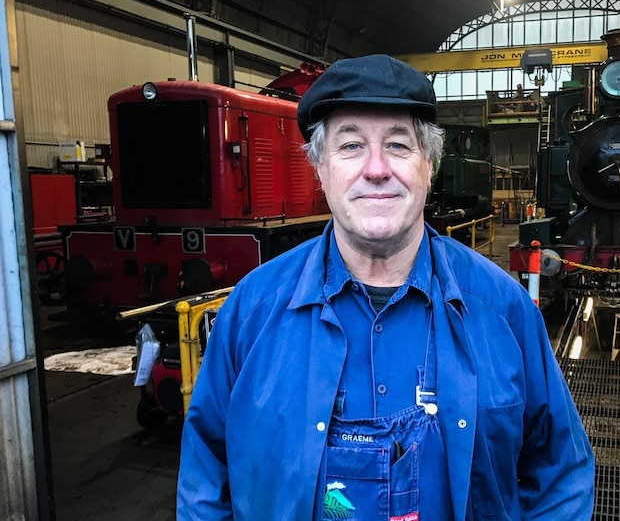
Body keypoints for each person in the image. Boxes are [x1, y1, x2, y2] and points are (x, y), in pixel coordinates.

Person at [177, 54, 596, 520]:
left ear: (429, 166)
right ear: (321, 169)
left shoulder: (503, 309)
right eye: (351, 146)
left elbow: (561, 474)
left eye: (398, 145)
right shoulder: (251, 312)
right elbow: (205, 479)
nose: (376, 169)